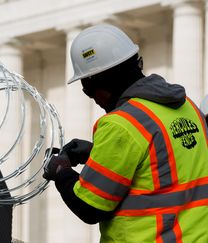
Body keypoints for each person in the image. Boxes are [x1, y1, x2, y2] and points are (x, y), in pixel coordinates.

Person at [43, 24, 208, 242]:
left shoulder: (121, 125)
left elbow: (90, 207)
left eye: (88, 91)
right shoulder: (189, 107)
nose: (96, 101)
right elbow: (166, 164)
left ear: (98, 86)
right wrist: (96, 154)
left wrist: (61, 171)